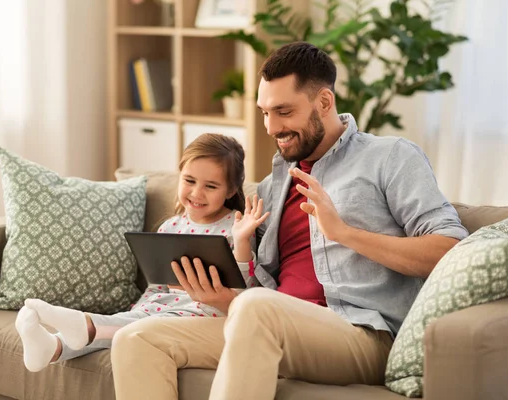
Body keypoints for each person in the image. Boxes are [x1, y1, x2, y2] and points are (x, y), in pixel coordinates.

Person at [110, 42, 469, 399]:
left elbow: (449, 249)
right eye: (265, 112)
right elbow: (256, 294)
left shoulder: (389, 157)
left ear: (324, 103)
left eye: (283, 111)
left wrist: (343, 233)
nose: (270, 127)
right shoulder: (273, 185)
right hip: (269, 323)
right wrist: (222, 299)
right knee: (138, 338)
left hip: (363, 334)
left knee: (257, 308)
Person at [14, 133, 269, 373]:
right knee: (127, 321)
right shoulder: (171, 226)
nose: (196, 193)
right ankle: (53, 348)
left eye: (210, 186)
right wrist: (141, 306)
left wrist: (242, 241)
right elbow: (156, 286)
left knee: (131, 326)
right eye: (189, 181)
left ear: (232, 190)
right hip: (160, 309)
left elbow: (242, 294)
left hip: (205, 316)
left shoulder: (236, 228)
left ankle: (88, 325)